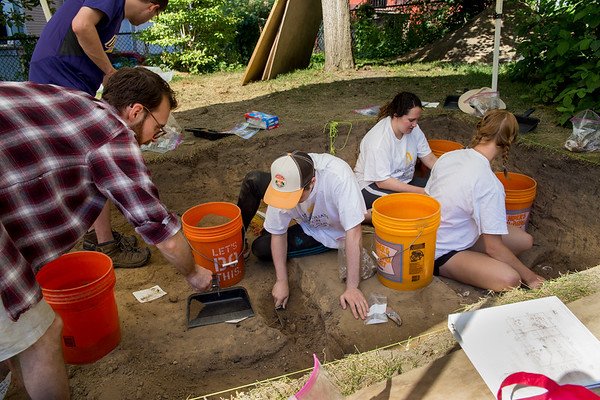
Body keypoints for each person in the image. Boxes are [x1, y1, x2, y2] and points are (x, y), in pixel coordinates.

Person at [0, 67, 213, 399]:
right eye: (158, 128)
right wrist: (195, 274)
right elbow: (159, 229)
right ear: (135, 111)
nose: (155, 138)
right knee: (41, 336)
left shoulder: (78, 102)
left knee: (15, 330)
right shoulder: (113, 135)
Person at [28, 0, 168, 268]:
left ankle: (96, 235)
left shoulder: (113, 15)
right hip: (58, 80)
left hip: (68, 79)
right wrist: (109, 71)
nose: (149, 20)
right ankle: (105, 244)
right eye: (154, 16)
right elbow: (81, 25)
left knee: (87, 158)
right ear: (153, 7)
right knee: (97, 155)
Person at [236, 151, 369, 320]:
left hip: (327, 228)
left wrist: (352, 288)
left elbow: (354, 232)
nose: (285, 203)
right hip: (305, 216)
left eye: (293, 197)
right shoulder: (286, 179)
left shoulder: (339, 178)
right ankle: (238, 244)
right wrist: (281, 280)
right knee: (253, 180)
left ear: (312, 182)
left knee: (261, 248)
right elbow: (278, 234)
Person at [424, 110, 545, 291]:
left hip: (450, 231)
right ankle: (459, 264)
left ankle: (475, 261)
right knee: (511, 279)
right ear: (509, 142)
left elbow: (428, 197)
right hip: (440, 251)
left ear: (481, 130)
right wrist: (530, 277)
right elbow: (493, 248)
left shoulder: (449, 156)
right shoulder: (490, 185)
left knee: (525, 240)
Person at [354, 92, 438, 221]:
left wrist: (448, 174)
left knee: (439, 189)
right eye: (411, 120)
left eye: (417, 120)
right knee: (408, 207)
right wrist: (422, 192)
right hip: (371, 185)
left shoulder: (414, 130)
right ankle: (359, 216)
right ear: (396, 115)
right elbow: (382, 182)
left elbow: (430, 159)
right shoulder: (379, 140)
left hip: (402, 180)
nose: (415, 124)